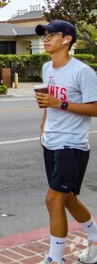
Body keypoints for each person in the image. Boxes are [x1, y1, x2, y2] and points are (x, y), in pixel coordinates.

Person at [34, 20, 97, 264]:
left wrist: (59, 104)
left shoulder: (83, 72)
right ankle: (94, 237)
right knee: (67, 198)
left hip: (72, 145)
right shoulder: (47, 67)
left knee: (53, 199)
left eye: (52, 35)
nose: (46, 39)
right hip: (51, 141)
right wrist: (43, 129)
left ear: (67, 39)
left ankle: (55, 259)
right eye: (44, 35)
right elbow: (48, 103)